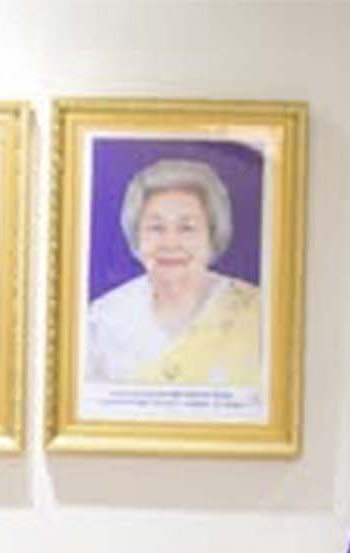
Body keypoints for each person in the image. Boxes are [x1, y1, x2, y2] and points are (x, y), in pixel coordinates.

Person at [81, 157, 264, 388]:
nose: (170, 243)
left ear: (213, 235)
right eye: (156, 228)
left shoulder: (257, 313)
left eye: (187, 228)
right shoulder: (103, 319)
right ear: (137, 237)